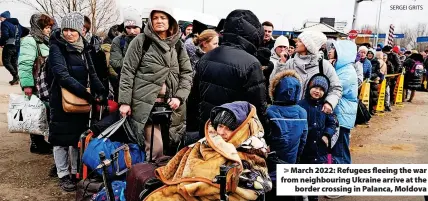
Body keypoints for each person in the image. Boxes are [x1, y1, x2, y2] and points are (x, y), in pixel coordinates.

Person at [144, 101, 272, 201]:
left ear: (241, 130)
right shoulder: (209, 140)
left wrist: (196, 188)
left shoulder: (252, 151)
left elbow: (250, 188)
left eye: (229, 128)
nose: (221, 133)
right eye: (220, 126)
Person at [119, 7, 192, 160]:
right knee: (155, 149)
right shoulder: (141, 41)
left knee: (172, 148)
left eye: (163, 18)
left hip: (172, 106)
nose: (159, 21)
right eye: (155, 18)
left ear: (170, 21)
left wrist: (179, 97)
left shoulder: (178, 45)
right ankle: (150, 180)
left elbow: (187, 73)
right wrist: (125, 102)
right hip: (147, 105)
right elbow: (127, 71)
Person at [48, 12, 106, 191]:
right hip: (61, 99)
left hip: (80, 101)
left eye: (72, 30)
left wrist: (101, 91)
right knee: (60, 140)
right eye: (65, 29)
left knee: (75, 138)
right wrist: (87, 95)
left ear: (81, 30)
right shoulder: (57, 47)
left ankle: (74, 172)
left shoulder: (85, 48)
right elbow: (62, 76)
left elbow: (92, 73)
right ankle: (63, 175)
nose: (68, 34)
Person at [191, 9, 268, 138]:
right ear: (253, 34)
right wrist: (265, 134)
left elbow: (194, 99)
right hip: (234, 133)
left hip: (208, 129)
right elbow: (258, 107)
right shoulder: (251, 63)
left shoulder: (206, 58)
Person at [270, 30, 342, 116]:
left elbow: (336, 88)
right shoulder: (290, 63)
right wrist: (281, 64)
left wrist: (329, 103)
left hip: (314, 116)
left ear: (309, 46)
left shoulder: (324, 65)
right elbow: (274, 84)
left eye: (300, 41)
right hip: (291, 115)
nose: (296, 43)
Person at [18, 13, 55, 154]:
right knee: (36, 112)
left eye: (49, 27)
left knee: (43, 112)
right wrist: (27, 85)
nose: (48, 30)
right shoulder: (30, 41)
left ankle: (41, 142)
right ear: (38, 27)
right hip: (35, 84)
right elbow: (25, 64)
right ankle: (36, 143)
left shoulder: (43, 40)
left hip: (44, 83)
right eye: (46, 27)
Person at [327, 40, 358, 165]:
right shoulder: (338, 68)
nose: (329, 51)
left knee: (340, 152)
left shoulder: (347, 72)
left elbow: (332, 88)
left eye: (333, 49)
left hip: (342, 117)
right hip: (337, 115)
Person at [267, 70, 308, 164]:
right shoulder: (302, 112)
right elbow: (303, 139)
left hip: (271, 160)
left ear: (276, 89)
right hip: (291, 160)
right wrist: (297, 156)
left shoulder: (270, 111)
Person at [186, 29, 219, 132]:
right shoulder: (195, 58)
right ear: (205, 44)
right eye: (215, 43)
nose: (217, 46)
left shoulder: (213, 58)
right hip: (194, 101)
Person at [110, 9, 142, 101]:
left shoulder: (148, 40)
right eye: (128, 28)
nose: (131, 31)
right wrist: (137, 59)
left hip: (145, 85)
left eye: (135, 27)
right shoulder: (118, 41)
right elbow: (116, 63)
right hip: (124, 84)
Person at [83, 16, 109, 99]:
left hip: (93, 86)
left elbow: (103, 73)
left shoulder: (95, 46)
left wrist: (102, 92)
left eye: (84, 28)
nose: (81, 31)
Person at [0, 10, 23, 85]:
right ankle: (15, 79)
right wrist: (17, 37)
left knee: (6, 61)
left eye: (1, 18)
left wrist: (1, 42)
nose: (0, 19)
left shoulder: (4, 23)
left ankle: (16, 76)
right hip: (17, 46)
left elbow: (5, 35)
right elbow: (26, 31)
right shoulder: (17, 24)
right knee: (13, 62)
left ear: (4, 17)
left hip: (9, 45)